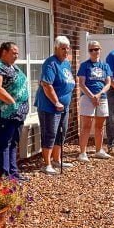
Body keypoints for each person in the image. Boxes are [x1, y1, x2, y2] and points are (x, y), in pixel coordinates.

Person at [0, 42, 30, 180]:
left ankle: (13, 173)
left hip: (17, 114)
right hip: (4, 113)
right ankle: (4, 177)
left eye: (17, 53)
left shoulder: (13, 67)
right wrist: (13, 103)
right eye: (14, 52)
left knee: (13, 143)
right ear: (4, 52)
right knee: (4, 144)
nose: (16, 55)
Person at [36, 36, 76, 175]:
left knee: (61, 133)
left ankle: (56, 160)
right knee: (50, 133)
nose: (66, 51)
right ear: (56, 48)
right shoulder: (50, 63)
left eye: (67, 49)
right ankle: (46, 164)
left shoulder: (66, 63)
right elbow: (47, 85)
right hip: (50, 106)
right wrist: (56, 102)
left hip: (63, 106)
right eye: (63, 48)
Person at [77, 40, 113, 162]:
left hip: (101, 98)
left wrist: (99, 94)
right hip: (87, 97)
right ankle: (82, 153)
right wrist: (92, 96)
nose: (94, 52)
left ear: (100, 50)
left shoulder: (105, 66)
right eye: (91, 50)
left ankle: (99, 150)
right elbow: (81, 83)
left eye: (96, 49)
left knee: (99, 126)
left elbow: (108, 83)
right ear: (89, 51)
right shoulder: (84, 65)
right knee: (86, 126)